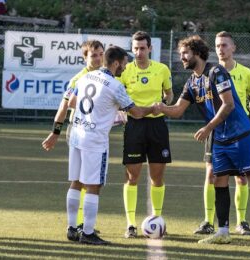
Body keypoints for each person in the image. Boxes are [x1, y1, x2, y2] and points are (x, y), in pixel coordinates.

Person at [153, 35, 250, 246]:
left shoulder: (216, 72)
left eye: (185, 53)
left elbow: (228, 104)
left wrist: (208, 127)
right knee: (219, 181)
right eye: (180, 54)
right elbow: (177, 110)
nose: (182, 58)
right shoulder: (192, 81)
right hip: (220, 139)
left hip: (240, 135)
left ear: (197, 53)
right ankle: (223, 231)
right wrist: (160, 108)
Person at [66, 45, 154, 245]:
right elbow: (138, 113)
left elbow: (72, 102)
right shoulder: (115, 86)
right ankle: (88, 233)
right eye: (124, 63)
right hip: (95, 141)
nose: (126, 66)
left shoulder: (86, 77)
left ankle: (72, 228)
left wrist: (104, 113)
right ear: (116, 63)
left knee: (76, 183)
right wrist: (155, 107)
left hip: (77, 135)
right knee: (94, 185)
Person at [194, 31, 250, 236]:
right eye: (217, 45)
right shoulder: (210, 73)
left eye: (224, 45)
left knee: (241, 178)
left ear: (233, 48)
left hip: (238, 132)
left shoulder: (246, 73)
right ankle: (208, 221)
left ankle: (242, 222)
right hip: (216, 128)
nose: (220, 49)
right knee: (211, 174)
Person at [42, 40, 104, 238]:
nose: (98, 58)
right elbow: (63, 107)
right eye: (93, 55)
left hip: (84, 132)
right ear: (84, 57)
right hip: (82, 133)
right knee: (89, 182)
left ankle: (74, 227)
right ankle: (84, 228)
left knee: (80, 181)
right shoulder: (79, 79)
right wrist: (55, 132)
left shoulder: (102, 76)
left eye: (101, 54)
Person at [119, 31, 173, 238]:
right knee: (132, 176)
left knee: (157, 177)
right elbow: (117, 93)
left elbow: (169, 93)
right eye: (135, 49)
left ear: (150, 48)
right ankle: (131, 224)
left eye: (142, 48)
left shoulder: (162, 69)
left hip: (157, 126)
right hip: (134, 126)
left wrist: (165, 103)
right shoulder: (125, 71)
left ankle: (157, 220)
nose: (139, 52)